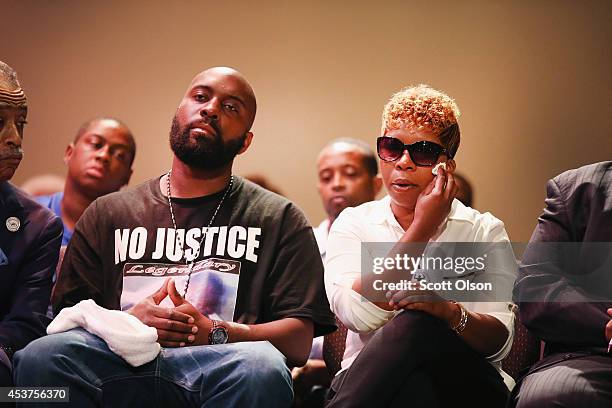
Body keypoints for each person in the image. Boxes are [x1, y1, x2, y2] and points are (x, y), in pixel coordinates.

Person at [14, 66, 336, 407]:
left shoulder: (280, 218)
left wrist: (214, 331)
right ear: (178, 113)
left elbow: (299, 344)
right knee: (39, 358)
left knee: (263, 367)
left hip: (220, 367)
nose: (210, 108)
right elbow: (68, 315)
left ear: (245, 142)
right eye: (200, 97)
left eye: (230, 107)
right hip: (113, 364)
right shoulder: (108, 213)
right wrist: (126, 322)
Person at [324, 84, 516, 407]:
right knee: (414, 387)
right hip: (371, 382)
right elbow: (357, 314)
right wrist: (422, 227)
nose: (403, 162)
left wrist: (447, 312)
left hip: (466, 383)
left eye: (423, 151)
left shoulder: (484, 231)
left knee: (420, 320)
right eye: (391, 147)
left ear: (447, 165)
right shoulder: (353, 223)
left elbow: (499, 342)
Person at [511, 161, 612, 408]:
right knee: (553, 394)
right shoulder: (578, 189)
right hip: (594, 358)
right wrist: (606, 324)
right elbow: (535, 287)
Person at [292, 138, 382, 406]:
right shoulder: (301, 248)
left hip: (373, 375)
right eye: (327, 177)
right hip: (299, 377)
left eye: (350, 174)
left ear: (377, 184)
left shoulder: (393, 247)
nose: (337, 183)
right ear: (319, 187)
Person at [0, 61, 63, 387]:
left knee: (49, 396)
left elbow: (25, 325)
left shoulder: (37, 225)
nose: (14, 138)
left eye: (20, 123)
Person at [36, 117, 135, 245]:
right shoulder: (29, 216)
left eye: (120, 155)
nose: (103, 156)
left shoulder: (129, 237)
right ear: (69, 153)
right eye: (95, 144)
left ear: (127, 176)